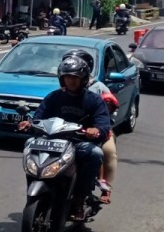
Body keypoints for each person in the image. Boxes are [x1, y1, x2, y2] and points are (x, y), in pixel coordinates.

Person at [17, 55, 110, 220]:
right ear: (62, 79)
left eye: (75, 77)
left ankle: (79, 199)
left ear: (83, 79)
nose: (71, 81)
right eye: (68, 77)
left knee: (95, 154)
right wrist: (29, 124)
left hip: (78, 143)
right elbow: (39, 117)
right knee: (29, 143)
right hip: (52, 141)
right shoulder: (54, 97)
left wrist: (95, 130)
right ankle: (32, 189)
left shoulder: (93, 100)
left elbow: (103, 123)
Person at [63, 49, 120, 204]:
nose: (71, 79)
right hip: (67, 132)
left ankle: (105, 187)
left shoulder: (99, 87)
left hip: (95, 131)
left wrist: (98, 128)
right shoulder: (61, 91)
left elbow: (110, 110)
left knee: (107, 152)